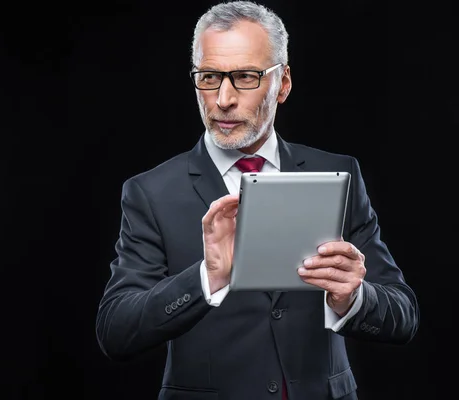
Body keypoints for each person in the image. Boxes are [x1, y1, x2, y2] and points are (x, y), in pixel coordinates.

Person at [95, 1, 419, 399]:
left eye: (246, 76)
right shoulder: (150, 192)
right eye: (210, 77)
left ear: (282, 83)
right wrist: (207, 279)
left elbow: (403, 317)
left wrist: (353, 297)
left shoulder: (341, 174)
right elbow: (116, 332)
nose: (223, 99)